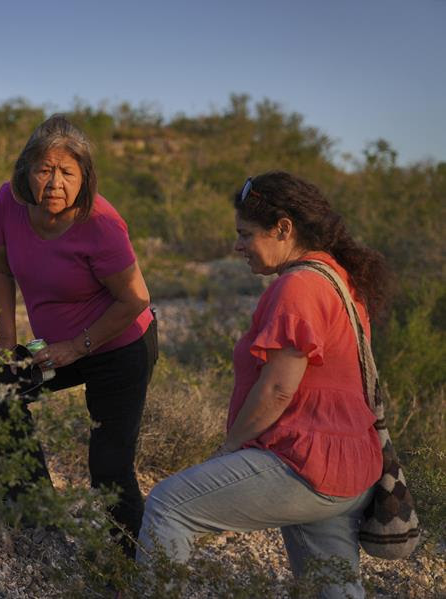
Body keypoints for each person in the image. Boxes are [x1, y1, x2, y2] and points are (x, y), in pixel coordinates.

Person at [137, 171, 389, 598]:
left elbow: (277, 390)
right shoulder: (336, 279)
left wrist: (230, 447)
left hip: (304, 463)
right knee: (332, 589)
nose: (237, 246)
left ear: (283, 229)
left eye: (245, 234)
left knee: (168, 506)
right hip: (350, 468)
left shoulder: (299, 286)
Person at [0, 114, 158, 558]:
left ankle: (131, 565)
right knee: (0, 387)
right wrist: (7, 343)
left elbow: (135, 300)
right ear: (26, 172)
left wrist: (74, 347)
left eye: (68, 172)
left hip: (120, 347)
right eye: (45, 169)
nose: (55, 182)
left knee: (109, 468)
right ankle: (35, 521)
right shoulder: (8, 202)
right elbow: (0, 268)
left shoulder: (101, 223)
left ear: (85, 178)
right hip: (55, 349)